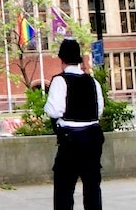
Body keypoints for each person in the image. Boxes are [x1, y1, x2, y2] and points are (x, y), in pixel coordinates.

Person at [44, 37, 105, 210]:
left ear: (61, 59)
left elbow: (54, 110)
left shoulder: (60, 80)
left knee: (64, 189)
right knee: (92, 187)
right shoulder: (92, 81)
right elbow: (99, 110)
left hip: (71, 139)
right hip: (92, 138)